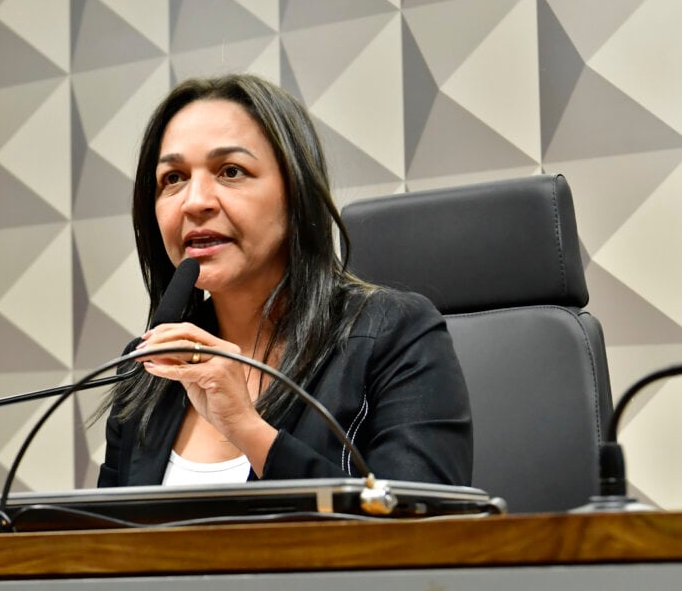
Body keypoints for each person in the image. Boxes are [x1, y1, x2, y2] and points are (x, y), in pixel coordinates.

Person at [96, 73, 472, 488]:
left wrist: (246, 428)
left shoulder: (393, 334)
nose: (195, 201)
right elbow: (104, 544)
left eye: (231, 171)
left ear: (295, 194)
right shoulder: (152, 365)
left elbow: (422, 527)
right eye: (173, 178)